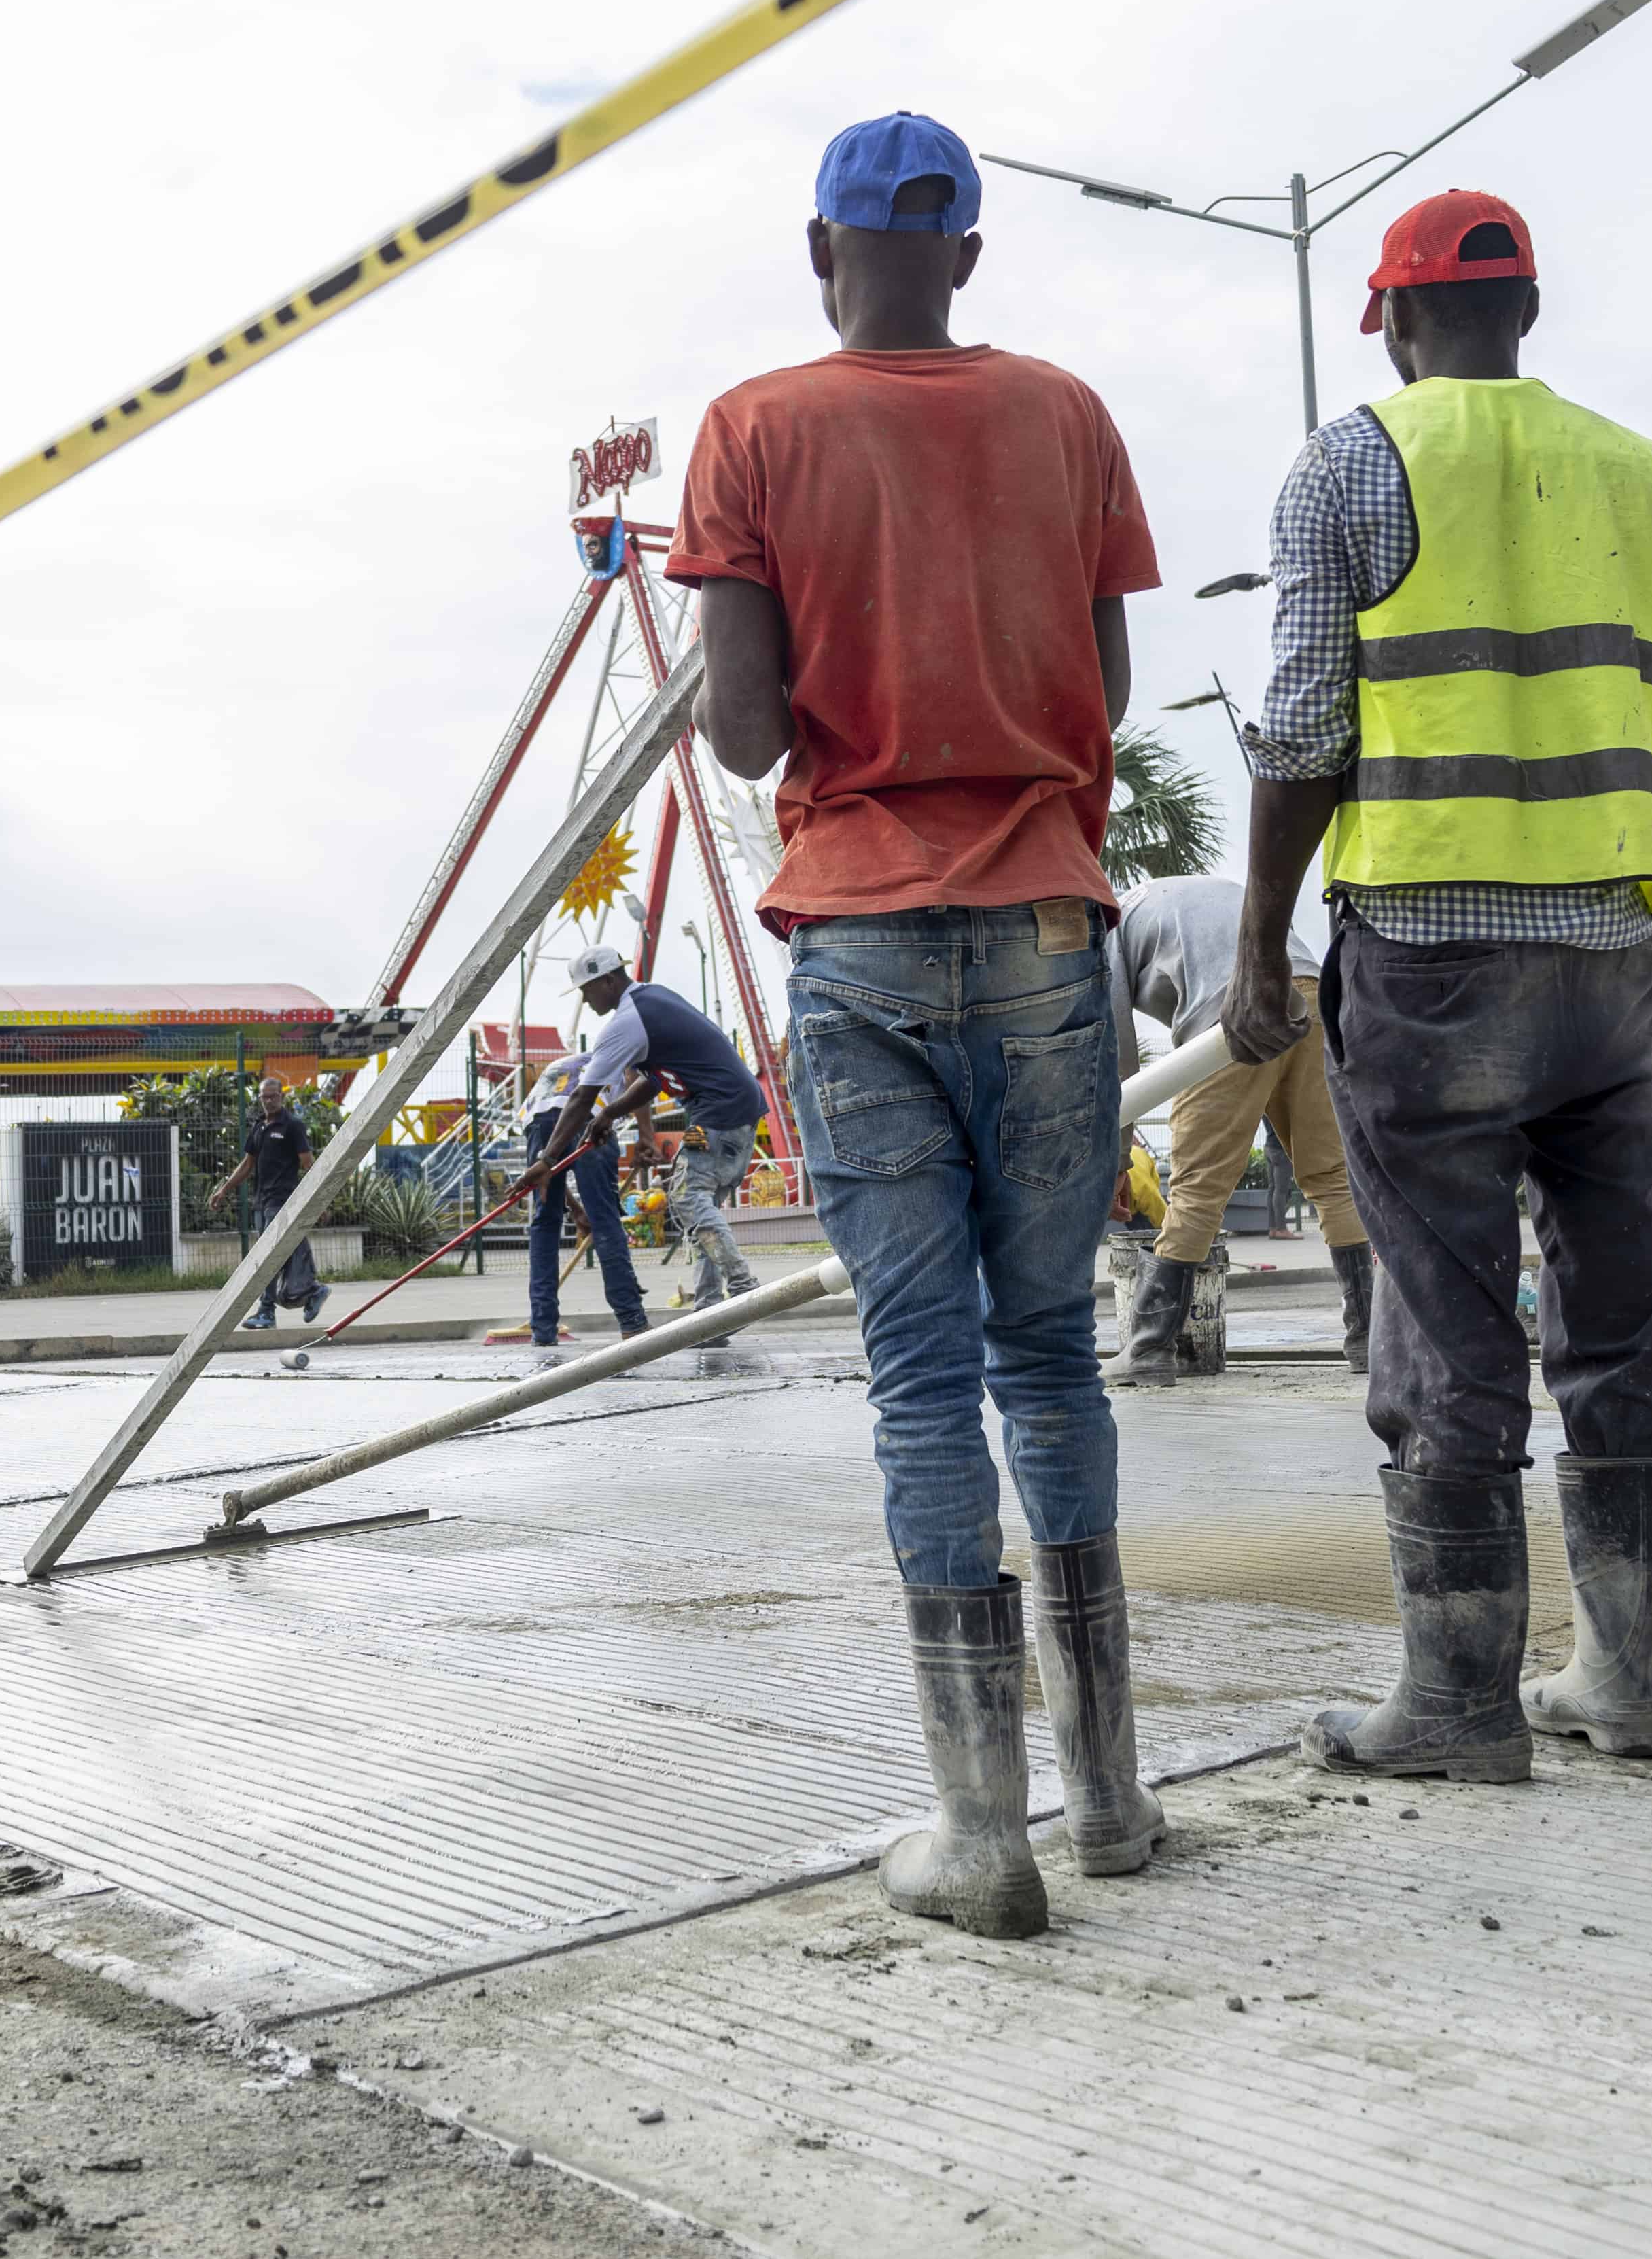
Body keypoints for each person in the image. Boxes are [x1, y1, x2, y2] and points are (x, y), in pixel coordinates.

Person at [678, 109, 1167, 1938]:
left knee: (922, 1373)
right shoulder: (1065, 412)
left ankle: (983, 1829)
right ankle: (1112, 1797)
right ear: (966, 252)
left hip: (866, 936)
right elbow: (1104, 686)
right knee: (1052, 1350)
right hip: (1049, 920)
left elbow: (736, 733)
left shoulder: (755, 427)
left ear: (823, 250)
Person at [1224, 189, 1652, 1779]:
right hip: (1603, 957)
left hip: (1429, 960)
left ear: (1387, 319)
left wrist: (1260, 939)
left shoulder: (1346, 462)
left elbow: (1307, 725)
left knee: (1445, 1331)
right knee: (1616, 1318)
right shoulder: (1644, 472)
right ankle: (1618, 1676)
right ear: (1526, 313)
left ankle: (1454, 1700)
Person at [1104, 875, 1370, 1382]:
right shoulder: (1190, 892)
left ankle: (1148, 1349)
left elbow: (1116, 1057)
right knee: (1332, 1177)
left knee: (1198, 1191)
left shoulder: (1109, 929)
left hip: (1230, 1016)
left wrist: (1116, 1162)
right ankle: (1368, 1343)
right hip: (1313, 998)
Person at [525, 947, 772, 1320]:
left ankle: (743, 1286)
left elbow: (580, 1096)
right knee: (694, 1204)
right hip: (725, 1113)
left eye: (587, 989)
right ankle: (711, 1315)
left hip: (718, 1113)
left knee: (688, 1197)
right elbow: (652, 1080)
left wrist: (547, 1159)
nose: (585, 998)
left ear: (608, 980)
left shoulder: (627, 1021)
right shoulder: (654, 999)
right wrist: (611, 1112)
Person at [516, 1061, 648, 1356]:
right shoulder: (626, 1053)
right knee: (605, 1221)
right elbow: (639, 1080)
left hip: (538, 1119)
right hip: (588, 1117)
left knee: (545, 1222)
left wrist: (574, 1209)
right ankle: (632, 1323)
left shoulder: (563, 1066)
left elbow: (547, 1174)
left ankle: (543, 1329)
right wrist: (645, 1137)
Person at [206, 1076, 324, 1331]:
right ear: (260, 1098)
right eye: (265, 1097)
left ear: (281, 1096)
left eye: (274, 1096)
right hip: (262, 1202)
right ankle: (312, 1291)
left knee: (267, 1258)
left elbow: (307, 1163)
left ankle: (267, 1312)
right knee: (273, 1257)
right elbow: (247, 1164)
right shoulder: (260, 1127)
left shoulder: (292, 1126)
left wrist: (317, 1202)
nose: (269, 1101)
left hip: (282, 1202)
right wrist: (224, 1190)